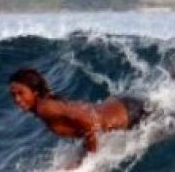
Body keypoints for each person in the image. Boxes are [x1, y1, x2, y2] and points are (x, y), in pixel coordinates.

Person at [8, 68, 149, 166]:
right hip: (120, 105)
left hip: (129, 113)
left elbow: (89, 124)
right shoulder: (45, 105)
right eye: (13, 95)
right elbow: (83, 128)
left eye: (21, 93)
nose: (17, 99)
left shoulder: (45, 108)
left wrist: (89, 161)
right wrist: (81, 157)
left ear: (35, 92)